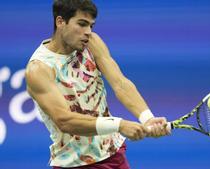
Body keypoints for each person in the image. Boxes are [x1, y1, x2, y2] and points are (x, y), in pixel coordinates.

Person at [25, 0, 169, 168]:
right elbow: (64, 121)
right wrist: (118, 125)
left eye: (91, 26)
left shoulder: (91, 43)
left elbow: (120, 83)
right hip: (74, 163)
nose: (88, 32)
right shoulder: (39, 69)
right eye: (82, 24)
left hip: (113, 154)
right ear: (60, 22)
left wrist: (147, 118)